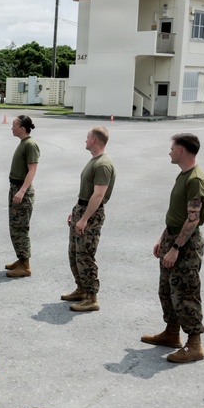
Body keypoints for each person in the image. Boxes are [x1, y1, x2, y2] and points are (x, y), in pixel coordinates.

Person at [142, 133, 204, 362]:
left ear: (181, 150)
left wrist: (176, 248)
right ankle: (172, 334)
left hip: (186, 245)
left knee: (186, 293)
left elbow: (193, 219)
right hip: (173, 238)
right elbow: (178, 215)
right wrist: (164, 240)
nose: (169, 152)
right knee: (167, 290)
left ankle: (195, 344)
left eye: (172, 148)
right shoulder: (183, 175)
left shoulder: (195, 179)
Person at [61, 126, 116, 312]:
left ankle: (92, 297)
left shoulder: (103, 164)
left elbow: (98, 195)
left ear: (94, 140)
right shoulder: (94, 161)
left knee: (85, 255)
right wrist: (76, 211)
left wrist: (84, 219)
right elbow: (87, 194)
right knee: (74, 252)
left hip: (91, 214)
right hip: (83, 208)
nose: (85, 140)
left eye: (87, 137)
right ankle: (82, 289)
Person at [5, 115, 40, 278]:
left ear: (22, 127)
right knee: (15, 226)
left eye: (14, 125)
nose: (12, 128)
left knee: (21, 227)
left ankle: (25, 265)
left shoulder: (30, 145)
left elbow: (32, 170)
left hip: (21, 189)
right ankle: (21, 258)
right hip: (16, 187)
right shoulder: (23, 143)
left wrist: (22, 191)